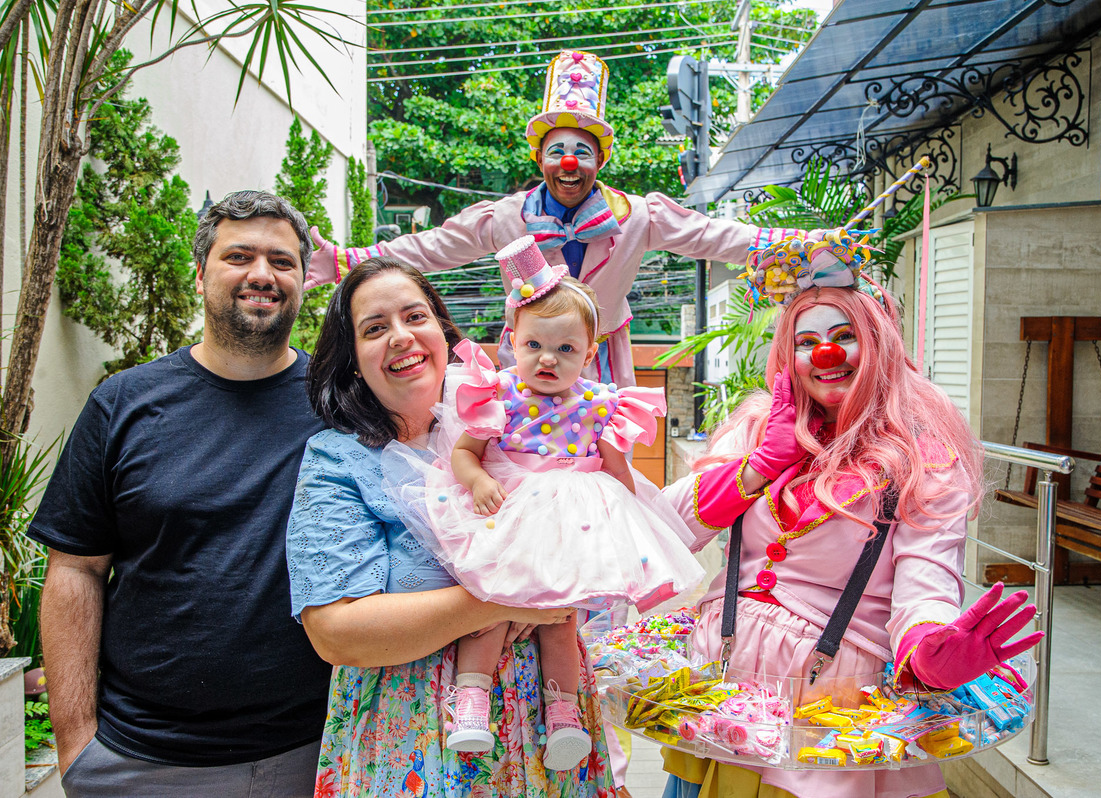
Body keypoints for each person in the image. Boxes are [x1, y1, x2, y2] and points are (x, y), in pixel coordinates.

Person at [656, 230, 1044, 798]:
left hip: (829, 722)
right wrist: (761, 466)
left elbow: (925, 581)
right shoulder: (758, 432)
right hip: (725, 702)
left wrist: (927, 646)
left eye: (844, 337)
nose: (827, 354)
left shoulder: (921, 458)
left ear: (877, 344)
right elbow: (659, 532)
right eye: (807, 342)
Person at [30, 190, 331, 797]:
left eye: (282, 261)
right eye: (238, 256)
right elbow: (76, 570)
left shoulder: (340, 404)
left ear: (303, 280)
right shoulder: (124, 403)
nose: (262, 274)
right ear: (199, 274)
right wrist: (75, 744)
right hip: (140, 761)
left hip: (317, 752)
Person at [286, 256, 617, 797]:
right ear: (353, 361)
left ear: (442, 333)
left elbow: (604, 516)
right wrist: (505, 601)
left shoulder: (517, 419)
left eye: (415, 317)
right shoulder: (339, 461)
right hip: (411, 739)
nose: (401, 337)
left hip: (548, 730)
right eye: (375, 328)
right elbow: (337, 633)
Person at [301, 49, 801, 390]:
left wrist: (803, 243)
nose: (569, 162)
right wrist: (345, 260)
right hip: (526, 364)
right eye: (557, 150)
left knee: (603, 474)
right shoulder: (505, 217)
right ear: (540, 158)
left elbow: (716, 236)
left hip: (601, 363)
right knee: (520, 466)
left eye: (582, 151)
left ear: (599, 161)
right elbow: (430, 247)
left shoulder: (637, 216)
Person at [386, 236, 703, 771]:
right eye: (534, 345)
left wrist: (629, 527)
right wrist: (476, 482)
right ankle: (471, 700)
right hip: (511, 514)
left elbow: (617, 472)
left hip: (572, 526)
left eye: (566, 349)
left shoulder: (600, 403)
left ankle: (563, 715)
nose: (548, 359)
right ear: (513, 341)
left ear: (590, 353)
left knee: (562, 620)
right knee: (490, 605)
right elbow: (464, 453)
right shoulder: (500, 394)